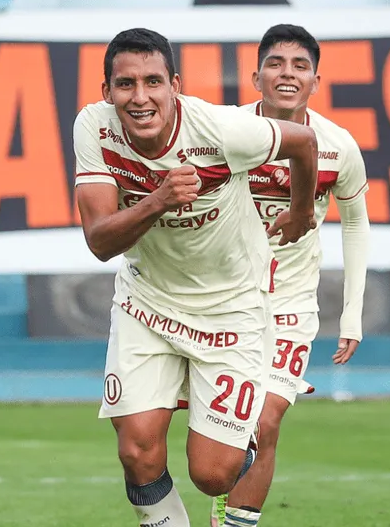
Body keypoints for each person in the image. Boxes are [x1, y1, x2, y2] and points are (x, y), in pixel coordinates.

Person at [73, 27, 319, 527]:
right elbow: (99, 241)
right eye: (125, 85)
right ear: (106, 92)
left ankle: (240, 434)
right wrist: (160, 198)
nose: (140, 98)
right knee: (137, 452)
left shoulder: (221, 130)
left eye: (152, 82)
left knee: (213, 475)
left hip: (231, 308)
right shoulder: (94, 127)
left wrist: (300, 211)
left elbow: (304, 140)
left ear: (175, 85)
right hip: (148, 303)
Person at [210, 24, 370, 527]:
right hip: (221, 300)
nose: (287, 74)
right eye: (276, 64)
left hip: (290, 305)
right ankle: (218, 492)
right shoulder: (223, 131)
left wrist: (352, 315)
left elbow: (357, 223)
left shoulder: (337, 146)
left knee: (266, 418)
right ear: (256, 77)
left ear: (315, 81)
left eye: (300, 66)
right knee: (220, 434)